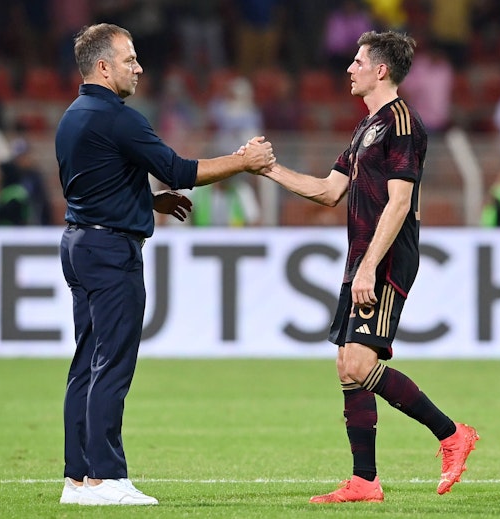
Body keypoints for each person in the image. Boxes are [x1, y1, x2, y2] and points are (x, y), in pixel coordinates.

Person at [251, 30, 478, 503]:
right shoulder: (366, 127)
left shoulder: (402, 123)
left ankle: (452, 434)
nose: (349, 68)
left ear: (380, 70)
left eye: (357, 61)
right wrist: (267, 170)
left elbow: (399, 202)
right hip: (363, 257)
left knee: (358, 362)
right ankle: (364, 480)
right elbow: (328, 191)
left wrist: (371, 267)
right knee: (347, 366)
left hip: (387, 256)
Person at [55, 23, 274, 507]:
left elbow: (95, 184)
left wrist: (147, 203)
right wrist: (245, 161)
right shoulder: (120, 118)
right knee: (112, 363)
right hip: (112, 253)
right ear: (103, 67)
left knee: (86, 364)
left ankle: (77, 478)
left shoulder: (72, 115)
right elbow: (179, 170)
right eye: (129, 59)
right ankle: (107, 479)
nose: (139, 67)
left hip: (80, 244)